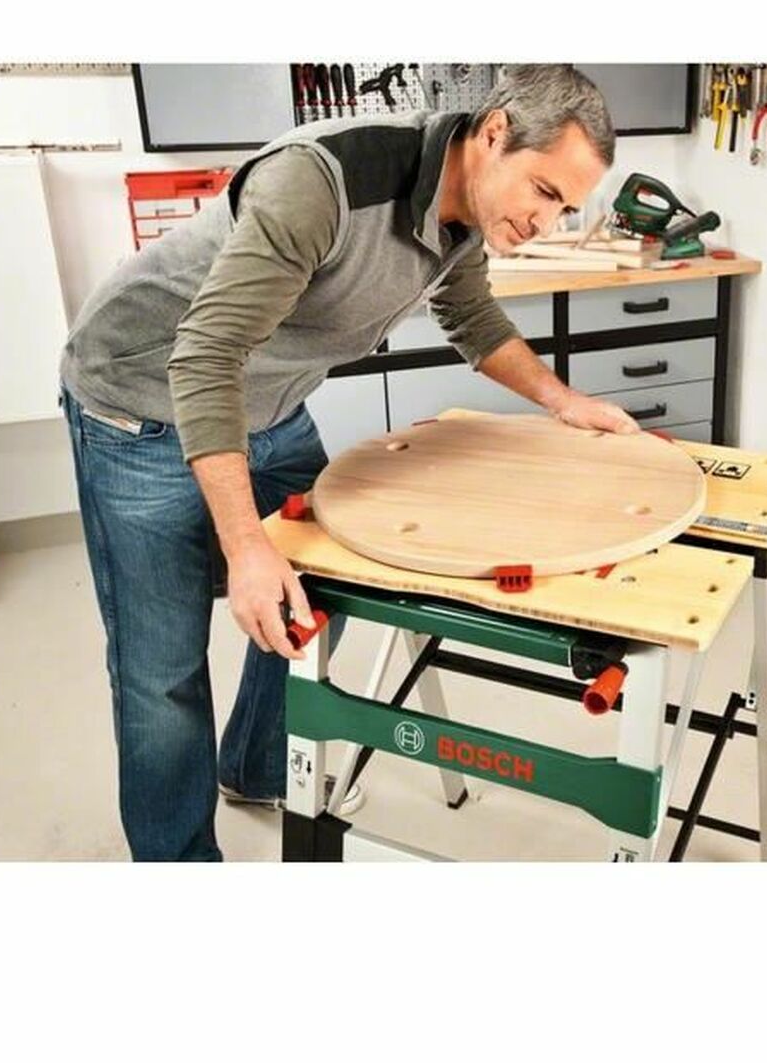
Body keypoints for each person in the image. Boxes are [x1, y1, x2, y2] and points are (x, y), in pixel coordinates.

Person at [59, 64, 639, 861]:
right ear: (495, 133)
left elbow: (469, 313)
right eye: (544, 191)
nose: (546, 221)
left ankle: (258, 765)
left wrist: (560, 400)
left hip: (268, 406)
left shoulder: (470, 210)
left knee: (320, 593)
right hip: (140, 401)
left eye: (566, 207)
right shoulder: (322, 181)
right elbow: (205, 357)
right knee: (162, 673)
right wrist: (247, 547)